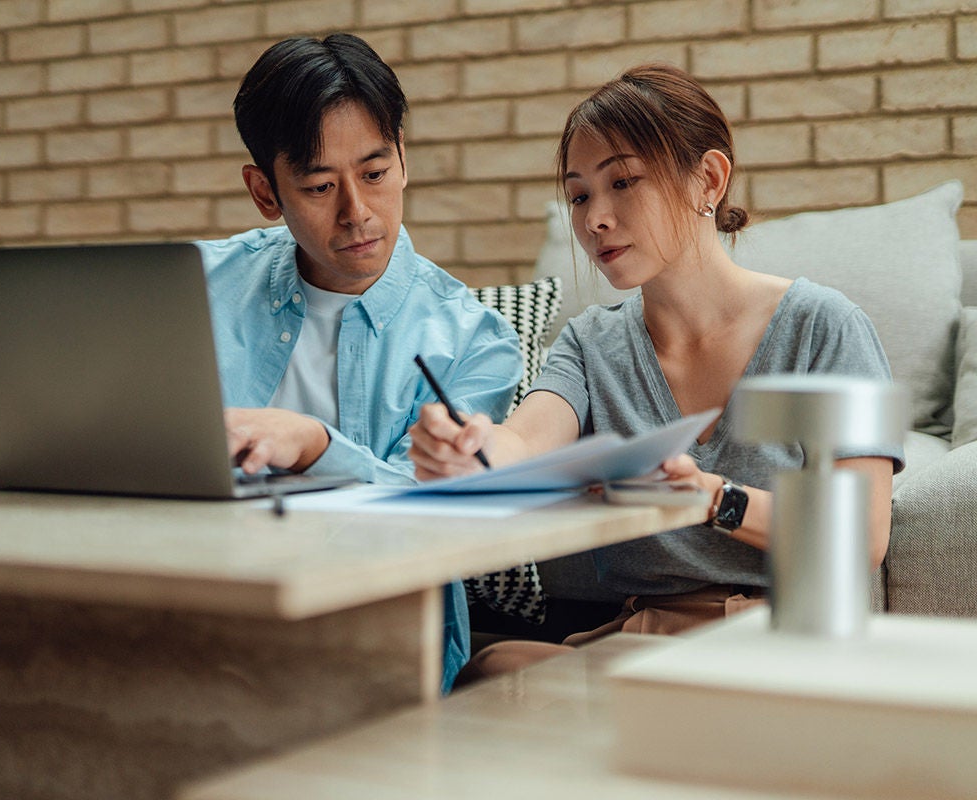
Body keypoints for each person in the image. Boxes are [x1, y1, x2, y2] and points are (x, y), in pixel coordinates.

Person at [408, 63, 905, 684]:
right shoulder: (591, 343)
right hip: (636, 643)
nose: (595, 219)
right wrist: (472, 448)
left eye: (623, 182)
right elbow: (526, 441)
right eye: (580, 194)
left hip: (784, 642)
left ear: (710, 179)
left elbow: (863, 538)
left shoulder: (824, 326)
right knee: (496, 669)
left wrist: (713, 498)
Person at [195, 33, 523, 693]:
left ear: (402, 158)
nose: (358, 212)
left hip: (376, 635)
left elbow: (433, 516)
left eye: (374, 173)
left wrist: (316, 446)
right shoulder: (193, 284)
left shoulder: (473, 338)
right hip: (198, 597)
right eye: (319, 186)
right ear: (265, 192)